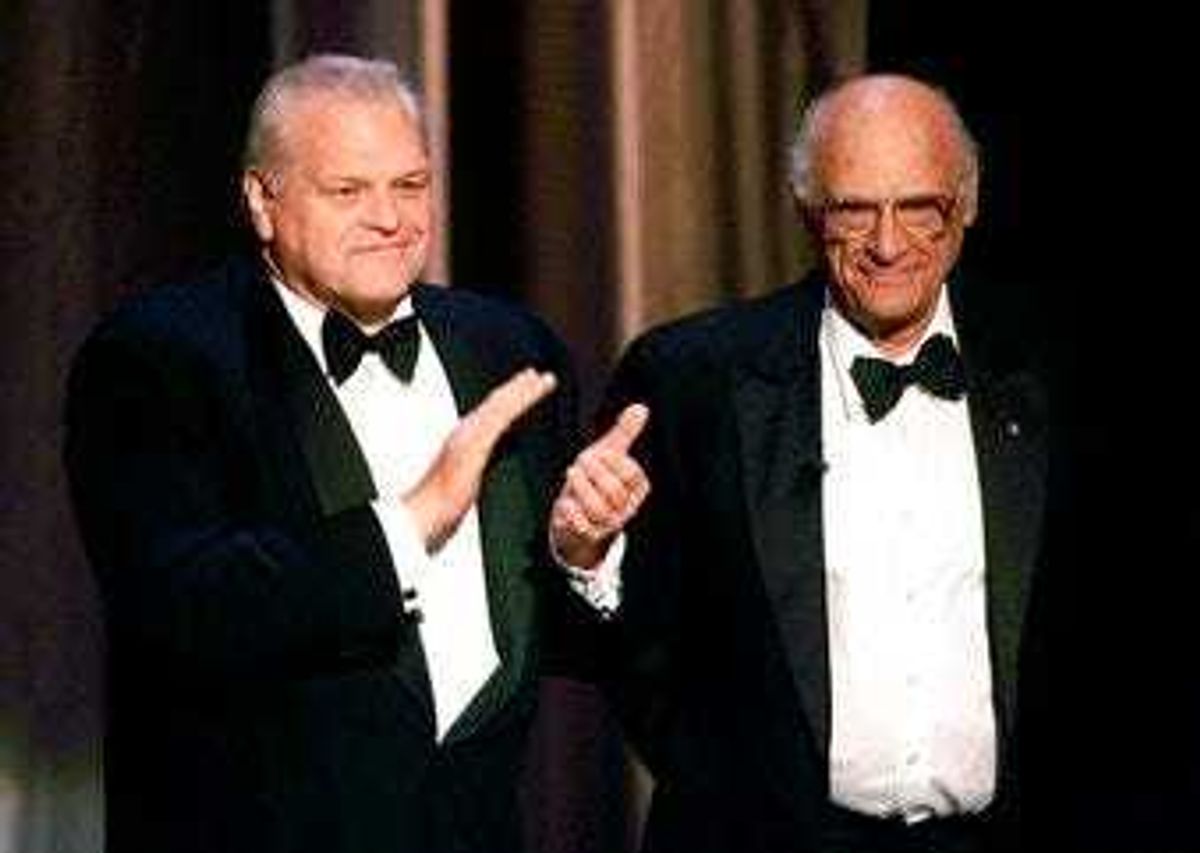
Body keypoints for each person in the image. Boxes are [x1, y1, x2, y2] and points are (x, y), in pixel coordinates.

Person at [65, 54, 584, 853]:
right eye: (349, 190)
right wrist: (409, 524)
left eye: (410, 185)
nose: (391, 217)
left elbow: (554, 630)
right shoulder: (157, 358)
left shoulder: (507, 345)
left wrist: (587, 552)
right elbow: (185, 604)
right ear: (261, 203)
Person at [552, 74, 1050, 852]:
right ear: (808, 212)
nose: (889, 244)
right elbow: (612, 652)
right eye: (855, 209)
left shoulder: (1045, 378)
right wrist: (589, 555)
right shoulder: (692, 380)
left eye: (921, 207)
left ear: (968, 206)